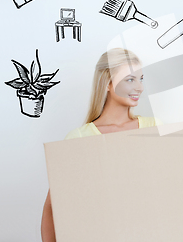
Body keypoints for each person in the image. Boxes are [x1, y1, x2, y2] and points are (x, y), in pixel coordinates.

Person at [41, 48, 160, 242]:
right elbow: (52, 209)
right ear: (107, 82)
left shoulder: (156, 128)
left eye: (141, 79)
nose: (139, 87)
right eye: (130, 79)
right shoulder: (79, 138)